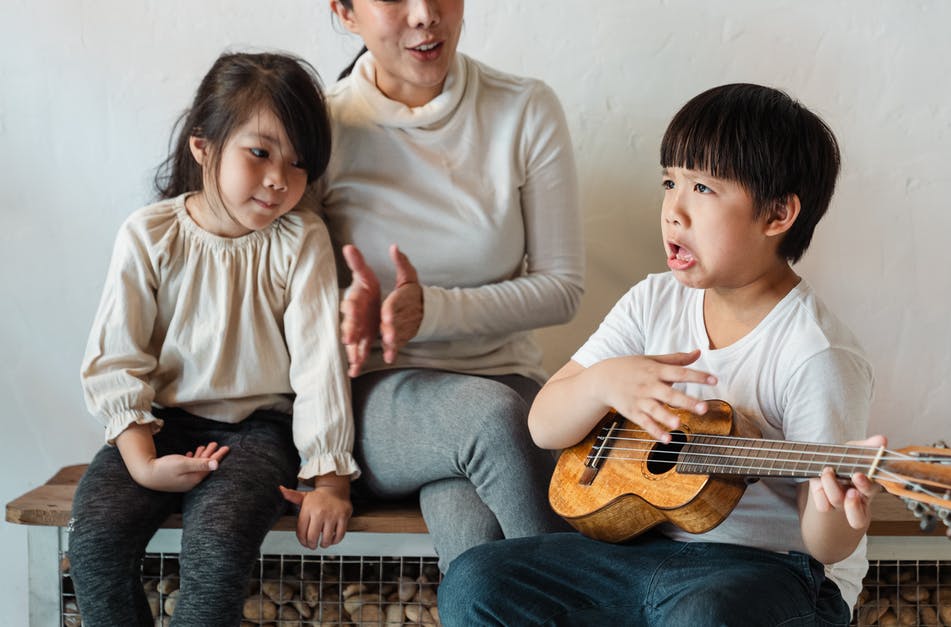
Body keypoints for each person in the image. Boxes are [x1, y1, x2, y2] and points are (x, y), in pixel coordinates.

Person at [439, 83, 883, 626]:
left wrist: (842, 513)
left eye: (702, 188)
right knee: (475, 580)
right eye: (669, 181)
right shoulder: (653, 301)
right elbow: (544, 425)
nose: (673, 209)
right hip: (637, 552)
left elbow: (825, 546)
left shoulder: (815, 352)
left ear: (777, 214)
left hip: (772, 573)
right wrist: (604, 384)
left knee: (705, 615)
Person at [70, 52, 360, 627]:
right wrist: (145, 463)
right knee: (96, 541)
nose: (280, 179)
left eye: (298, 164)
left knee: (219, 545)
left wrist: (330, 482)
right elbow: (114, 360)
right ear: (203, 148)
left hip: (256, 432)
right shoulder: (149, 234)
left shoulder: (301, 239)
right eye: (260, 152)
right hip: (155, 424)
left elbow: (319, 366)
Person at [319, 0, 582, 571]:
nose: (424, 14)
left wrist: (431, 311)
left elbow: (562, 288)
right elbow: (277, 290)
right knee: (490, 418)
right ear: (344, 11)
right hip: (378, 398)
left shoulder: (523, 108)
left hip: (509, 383)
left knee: (475, 545)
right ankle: (589, 602)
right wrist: (338, 313)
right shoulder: (323, 127)